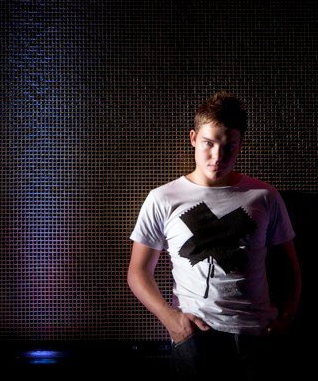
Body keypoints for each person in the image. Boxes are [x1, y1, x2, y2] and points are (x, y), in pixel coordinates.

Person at [127, 91, 301, 381]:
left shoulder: (264, 196)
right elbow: (138, 272)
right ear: (194, 138)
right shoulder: (163, 198)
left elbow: (289, 266)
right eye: (209, 143)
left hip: (258, 336)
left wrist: (287, 318)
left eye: (229, 146)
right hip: (196, 336)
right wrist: (172, 320)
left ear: (240, 145)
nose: (218, 156)